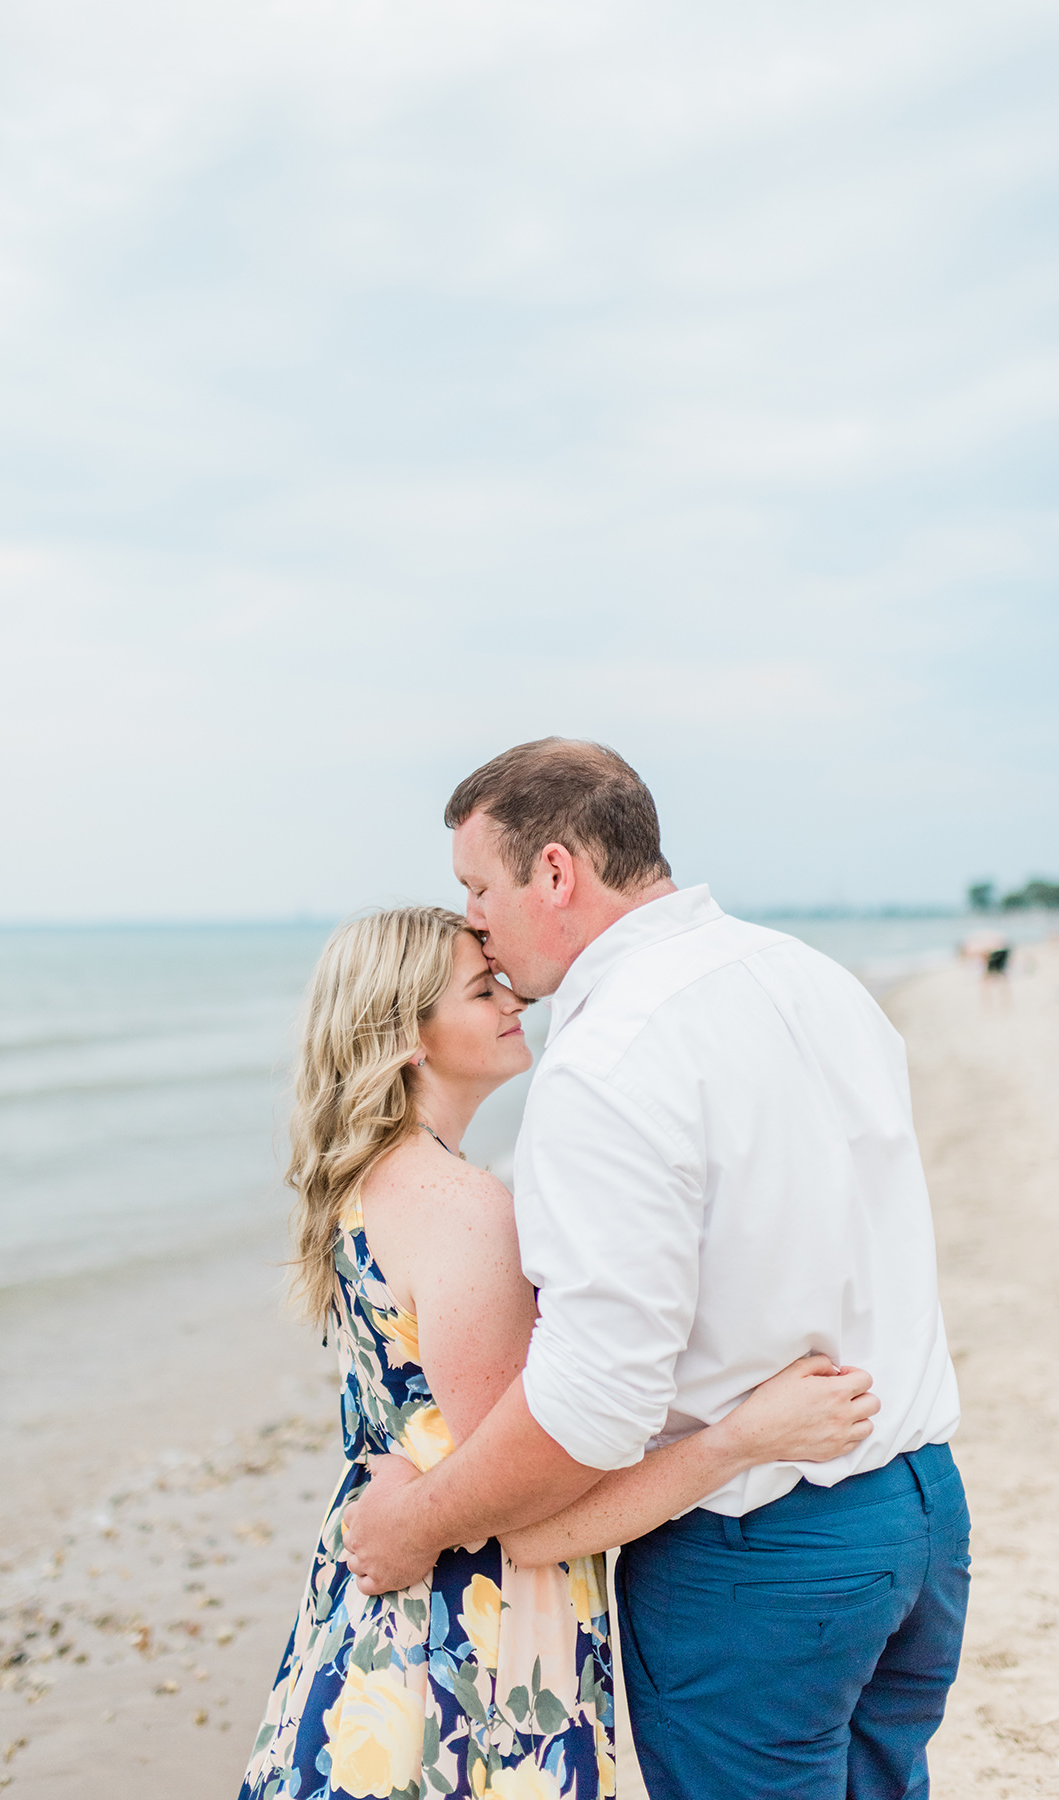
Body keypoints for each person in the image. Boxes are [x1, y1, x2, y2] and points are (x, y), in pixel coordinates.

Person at [341, 740, 970, 1800]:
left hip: (759, 1552)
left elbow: (595, 1403)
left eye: (477, 887)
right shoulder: (812, 978)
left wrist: (423, 1523)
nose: (476, 923)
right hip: (918, 1510)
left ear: (553, 872)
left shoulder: (610, 1061)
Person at [238, 905, 878, 1800]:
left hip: (386, 1604)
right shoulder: (460, 1207)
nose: (514, 998)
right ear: (406, 1035)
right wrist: (742, 1437)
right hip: (474, 1630)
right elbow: (530, 1505)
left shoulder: (368, 1183)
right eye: (478, 988)